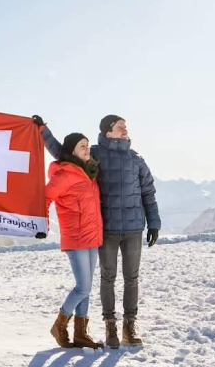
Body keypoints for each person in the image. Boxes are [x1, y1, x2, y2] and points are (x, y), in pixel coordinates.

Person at [32, 114, 161, 348]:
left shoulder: (136, 159)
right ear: (107, 131)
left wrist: (154, 222)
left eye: (126, 127)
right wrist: (43, 131)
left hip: (132, 228)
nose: (125, 130)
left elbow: (148, 193)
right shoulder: (95, 155)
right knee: (106, 279)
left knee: (131, 278)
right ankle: (110, 326)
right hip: (107, 229)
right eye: (120, 127)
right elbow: (63, 153)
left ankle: (129, 326)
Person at [45, 133, 104, 349]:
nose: (87, 149)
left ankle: (81, 334)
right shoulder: (65, 174)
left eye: (87, 145)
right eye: (82, 146)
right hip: (76, 237)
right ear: (72, 151)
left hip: (92, 237)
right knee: (83, 287)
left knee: (86, 287)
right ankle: (59, 325)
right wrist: (43, 225)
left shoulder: (89, 173)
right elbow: (44, 197)